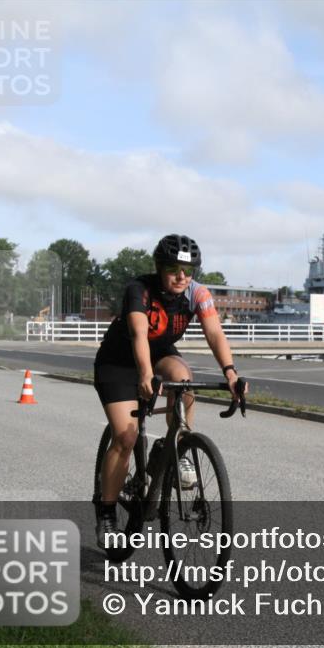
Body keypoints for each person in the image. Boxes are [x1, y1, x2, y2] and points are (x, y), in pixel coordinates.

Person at [93, 234, 243, 548]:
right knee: (126, 437)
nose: (181, 277)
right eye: (174, 269)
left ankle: (178, 444)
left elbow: (214, 332)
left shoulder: (197, 294)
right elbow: (137, 333)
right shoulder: (140, 289)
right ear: (160, 267)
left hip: (159, 353)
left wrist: (230, 373)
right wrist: (145, 374)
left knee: (182, 378)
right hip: (119, 361)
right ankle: (106, 511)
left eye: (188, 271)